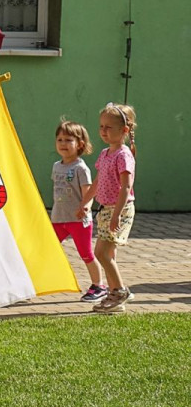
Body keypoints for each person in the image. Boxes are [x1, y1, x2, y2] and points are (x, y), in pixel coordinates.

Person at [89, 103, 138, 313]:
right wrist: (85, 202)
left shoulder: (123, 155)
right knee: (107, 253)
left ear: (124, 131)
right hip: (105, 208)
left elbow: (126, 187)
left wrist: (117, 214)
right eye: (101, 126)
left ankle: (119, 291)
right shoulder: (105, 153)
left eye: (109, 127)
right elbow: (98, 180)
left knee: (101, 252)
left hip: (120, 209)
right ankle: (114, 294)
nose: (103, 131)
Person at [50, 120, 105, 302]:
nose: (63, 144)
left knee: (86, 254)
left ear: (80, 144)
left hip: (78, 220)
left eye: (68, 140)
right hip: (58, 218)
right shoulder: (56, 166)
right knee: (47, 248)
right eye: (60, 139)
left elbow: (88, 192)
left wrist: (86, 207)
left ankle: (99, 285)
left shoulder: (80, 168)